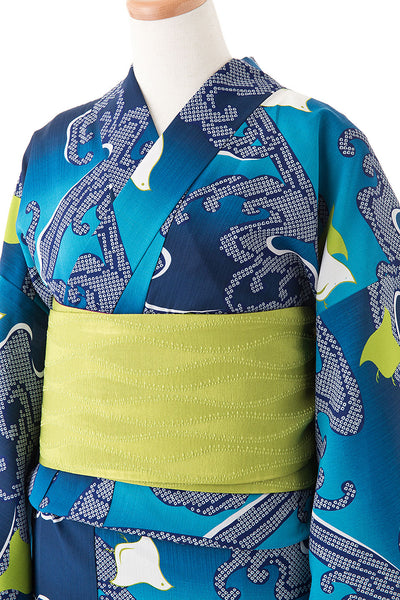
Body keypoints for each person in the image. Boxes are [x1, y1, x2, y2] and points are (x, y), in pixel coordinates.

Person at [1, 0, 400, 598]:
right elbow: (11, 379)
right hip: (70, 553)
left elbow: (372, 397)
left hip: (252, 561)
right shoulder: (50, 154)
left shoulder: (324, 144)